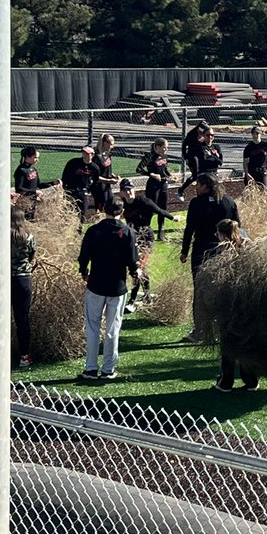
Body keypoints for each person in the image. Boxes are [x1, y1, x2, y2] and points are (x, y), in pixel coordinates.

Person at [77, 196, 140, 380]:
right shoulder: (127, 232)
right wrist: (136, 272)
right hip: (117, 287)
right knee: (113, 329)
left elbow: (83, 257)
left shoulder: (94, 230)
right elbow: (132, 261)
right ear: (121, 211)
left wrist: (84, 272)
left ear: (104, 209)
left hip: (96, 284)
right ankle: (108, 369)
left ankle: (90, 368)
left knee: (92, 327)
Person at [180, 174, 240, 341]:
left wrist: (184, 251)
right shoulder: (228, 201)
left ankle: (200, 331)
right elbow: (237, 226)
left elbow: (189, 228)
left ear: (205, 186)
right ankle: (224, 329)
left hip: (202, 251)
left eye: (198, 184)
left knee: (200, 291)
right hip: (225, 251)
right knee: (224, 289)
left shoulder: (196, 203)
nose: (195, 187)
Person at [212, 219, 259, 393]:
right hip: (250, 301)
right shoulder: (249, 244)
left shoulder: (223, 251)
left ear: (223, 234)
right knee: (247, 342)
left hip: (231, 302)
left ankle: (226, 382)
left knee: (229, 342)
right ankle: (251, 381)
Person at [118, 178, 178, 311]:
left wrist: (173, 218)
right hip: (133, 239)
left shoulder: (143, 201)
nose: (128, 192)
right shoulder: (123, 205)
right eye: (125, 190)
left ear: (134, 189)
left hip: (146, 237)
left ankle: (132, 301)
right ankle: (147, 297)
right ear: (121, 192)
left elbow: (159, 210)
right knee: (140, 270)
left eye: (130, 189)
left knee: (138, 268)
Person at [10, 205, 35, 368]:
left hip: (4, 280)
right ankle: (24, 355)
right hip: (23, 280)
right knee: (22, 319)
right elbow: (32, 255)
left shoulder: (2, 236)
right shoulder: (28, 236)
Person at [136, 137, 175, 240]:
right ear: (157, 147)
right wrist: (151, 174)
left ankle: (161, 231)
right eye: (164, 147)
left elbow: (164, 169)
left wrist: (170, 175)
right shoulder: (150, 156)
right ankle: (145, 231)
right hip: (153, 186)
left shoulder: (165, 156)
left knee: (163, 207)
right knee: (151, 208)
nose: (166, 150)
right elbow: (139, 169)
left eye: (167, 147)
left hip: (163, 185)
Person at [13, 146, 57, 216]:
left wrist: (53, 183)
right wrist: (35, 192)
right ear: (28, 157)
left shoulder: (33, 169)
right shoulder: (21, 170)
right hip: (25, 202)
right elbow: (18, 189)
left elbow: (39, 185)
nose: (37, 160)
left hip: (33, 201)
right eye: (35, 157)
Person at [61, 146, 100, 222]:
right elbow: (65, 176)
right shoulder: (73, 163)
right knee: (67, 212)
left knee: (82, 214)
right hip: (71, 190)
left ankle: (79, 230)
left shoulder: (95, 168)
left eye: (87, 154)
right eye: (83, 153)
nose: (85, 155)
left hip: (83, 192)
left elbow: (95, 181)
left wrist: (89, 190)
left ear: (92, 155)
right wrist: (64, 188)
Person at [177, 122, 211, 197]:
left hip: (201, 155)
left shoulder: (204, 133)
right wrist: (184, 155)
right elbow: (184, 144)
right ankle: (181, 189)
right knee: (195, 176)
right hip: (192, 156)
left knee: (203, 174)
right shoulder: (192, 133)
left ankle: (205, 192)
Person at [91, 133, 117, 212]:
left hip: (107, 185)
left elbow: (107, 169)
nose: (112, 147)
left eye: (113, 145)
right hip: (99, 186)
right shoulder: (96, 157)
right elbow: (94, 176)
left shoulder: (108, 154)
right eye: (110, 144)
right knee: (101, 206)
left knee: (111, 203)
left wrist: (113, 176)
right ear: (105, 143)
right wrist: (108, 180)